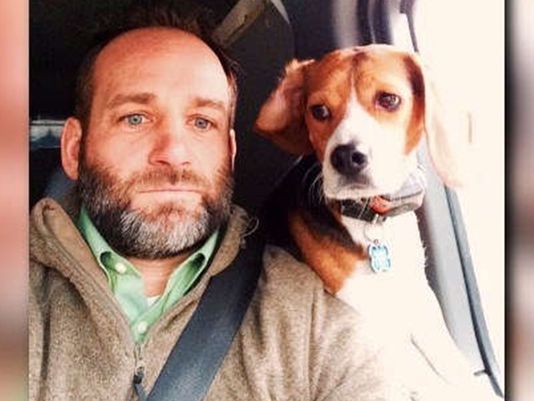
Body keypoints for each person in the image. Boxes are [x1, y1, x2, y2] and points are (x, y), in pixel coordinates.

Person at [29, 5, 403, 401]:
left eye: (202, 122)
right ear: (74, 149)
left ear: (230, 150)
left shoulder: (314, 321)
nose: (174, 153)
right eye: (135, 118)